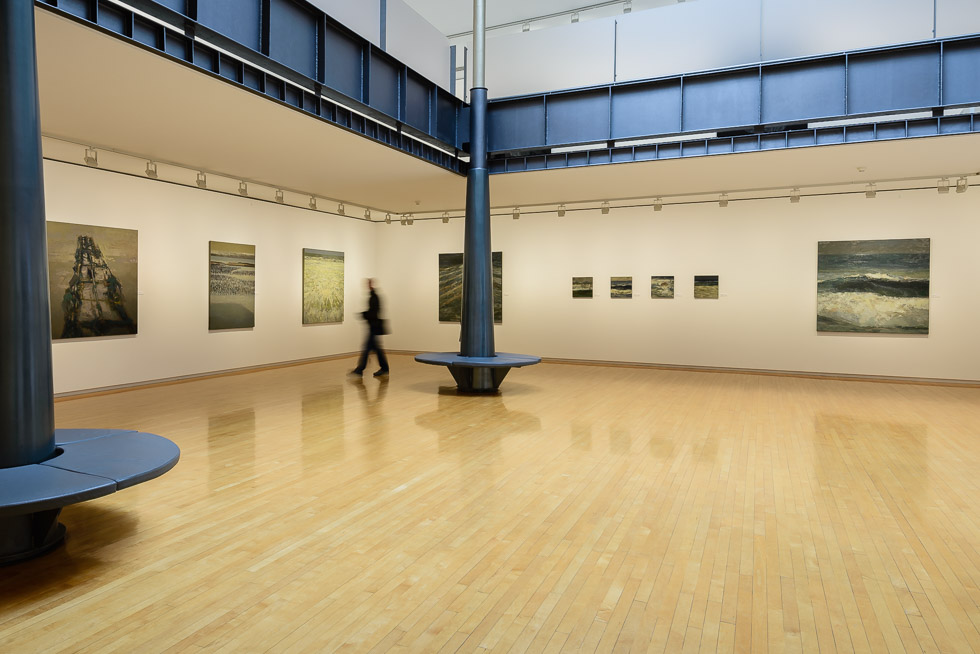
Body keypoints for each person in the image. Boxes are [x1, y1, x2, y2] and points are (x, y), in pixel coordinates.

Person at [350, 278, 389, 377]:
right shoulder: (373, 296)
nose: (367, 285)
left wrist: (363, 314)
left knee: (367, 348)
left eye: (368, 283)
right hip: (373, 326)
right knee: (375, 349)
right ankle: (384, 368)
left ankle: (360, 369)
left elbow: (373, 312)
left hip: (374, 327)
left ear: (371, 284)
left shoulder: (374, 297)